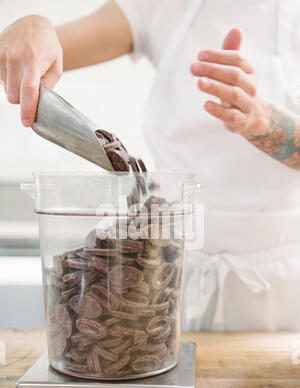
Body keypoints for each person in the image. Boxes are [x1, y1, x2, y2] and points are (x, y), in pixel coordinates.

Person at [1, 0, 300, 331]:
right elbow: (38, 53)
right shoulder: (159, 5)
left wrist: (265, 122)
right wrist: (34, 28)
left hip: (280, 294)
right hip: (165, 274)